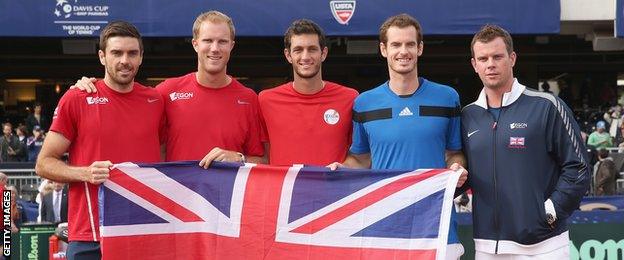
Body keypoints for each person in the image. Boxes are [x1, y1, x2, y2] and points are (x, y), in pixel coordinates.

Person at [328, 14, 468, 259]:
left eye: (410, 44)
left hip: (436, 225)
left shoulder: (447, 98)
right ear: (384, 49)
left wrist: (457, 167)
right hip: (385, 227)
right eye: (396, 44)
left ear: (420, 48)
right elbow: (361, 159)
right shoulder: (364, 104)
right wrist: (342, 169)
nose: (403, 51)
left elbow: (454, 152)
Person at [35, 21, 164, 259]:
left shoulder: (156, 101)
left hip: (144, 230)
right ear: (102, 56)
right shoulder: (77, 98)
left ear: (141, 57)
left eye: (132, 53)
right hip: (90, 235)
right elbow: (43, 163)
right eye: (117, 53)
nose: (125, 60)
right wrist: (85, 173)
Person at [71, 11, 265, 167]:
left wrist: (239, 158)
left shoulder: (248, 98)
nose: (215, 48)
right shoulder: (165, 92)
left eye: (222, 41)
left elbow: (263, 161)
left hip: (225, 210)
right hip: (176, 209)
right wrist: (91, 86)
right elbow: (124, 98)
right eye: (207, 41)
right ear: (195, 44)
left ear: (231, 45)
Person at [461, 24, 590, 258]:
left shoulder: (547, 106)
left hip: (543, 245)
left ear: (512, 58)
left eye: (497, 56)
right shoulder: (468, 116)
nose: (490, 63)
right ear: (474, 64)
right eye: (483, 58)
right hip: (487, 246)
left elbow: (579, 167)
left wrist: (550, 211)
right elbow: (464, 172)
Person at [258, 19, 358, 166]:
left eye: (312, 49)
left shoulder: (350, 98)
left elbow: (361, 155)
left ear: (323, 53)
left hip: (333, 189)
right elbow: (262, 156)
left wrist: (345, 168)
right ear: (288, 55)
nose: (305, 57)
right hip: (285, 189)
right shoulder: (266, 100)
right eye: (298, 50)